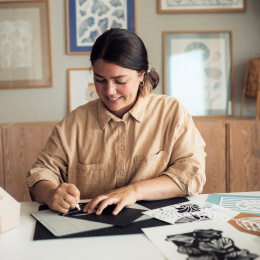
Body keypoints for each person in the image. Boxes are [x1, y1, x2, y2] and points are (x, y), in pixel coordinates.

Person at [27, 28, 206, 216]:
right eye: (100, 80)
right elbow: (40, 172)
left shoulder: (171, 113)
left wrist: (135, 191)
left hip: (158, 226)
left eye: (120, 81)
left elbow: (192, 175)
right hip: (90, 228)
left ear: (141, 75)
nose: (109, 91)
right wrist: (50, 193)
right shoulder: (74, 123)